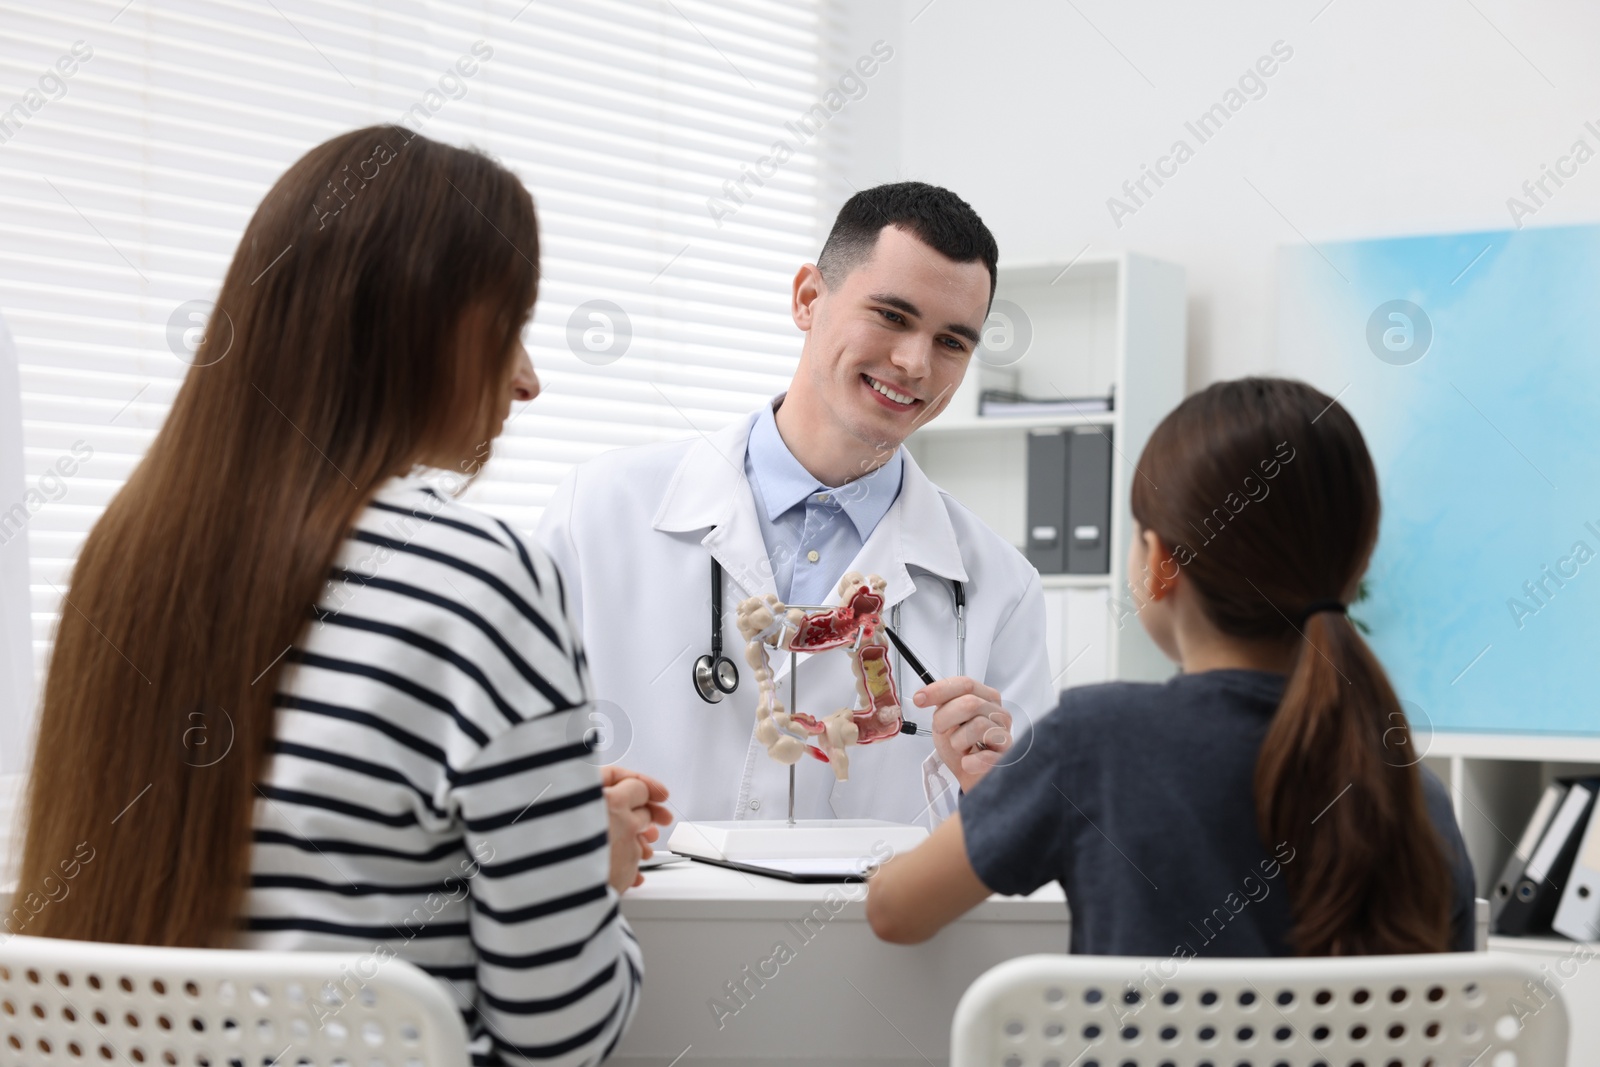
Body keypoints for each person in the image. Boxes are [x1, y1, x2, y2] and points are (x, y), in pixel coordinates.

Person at [13, 126, 669, 1066]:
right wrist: (587, 873)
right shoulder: (484, 575)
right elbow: (562, 1037)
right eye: (508, 328)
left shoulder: (121, 557)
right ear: (415, 327)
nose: (527, 379)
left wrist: (543, 832)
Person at [866, 377, 1476, 956]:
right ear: (1356, 566)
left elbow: (894, 911)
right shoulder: (1414, 795)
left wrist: (1006, 799)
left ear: (1158, 564)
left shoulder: (1095, 741)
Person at [536, 182, 1053, 828]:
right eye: (892, 316)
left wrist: (992, 793)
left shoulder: (1000, 588)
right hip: (643, 923)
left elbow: (1029, 850)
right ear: (808, 299)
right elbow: (496, 770)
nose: (915, 362)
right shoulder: (600, 512)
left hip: (866, 933)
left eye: (952, 342)